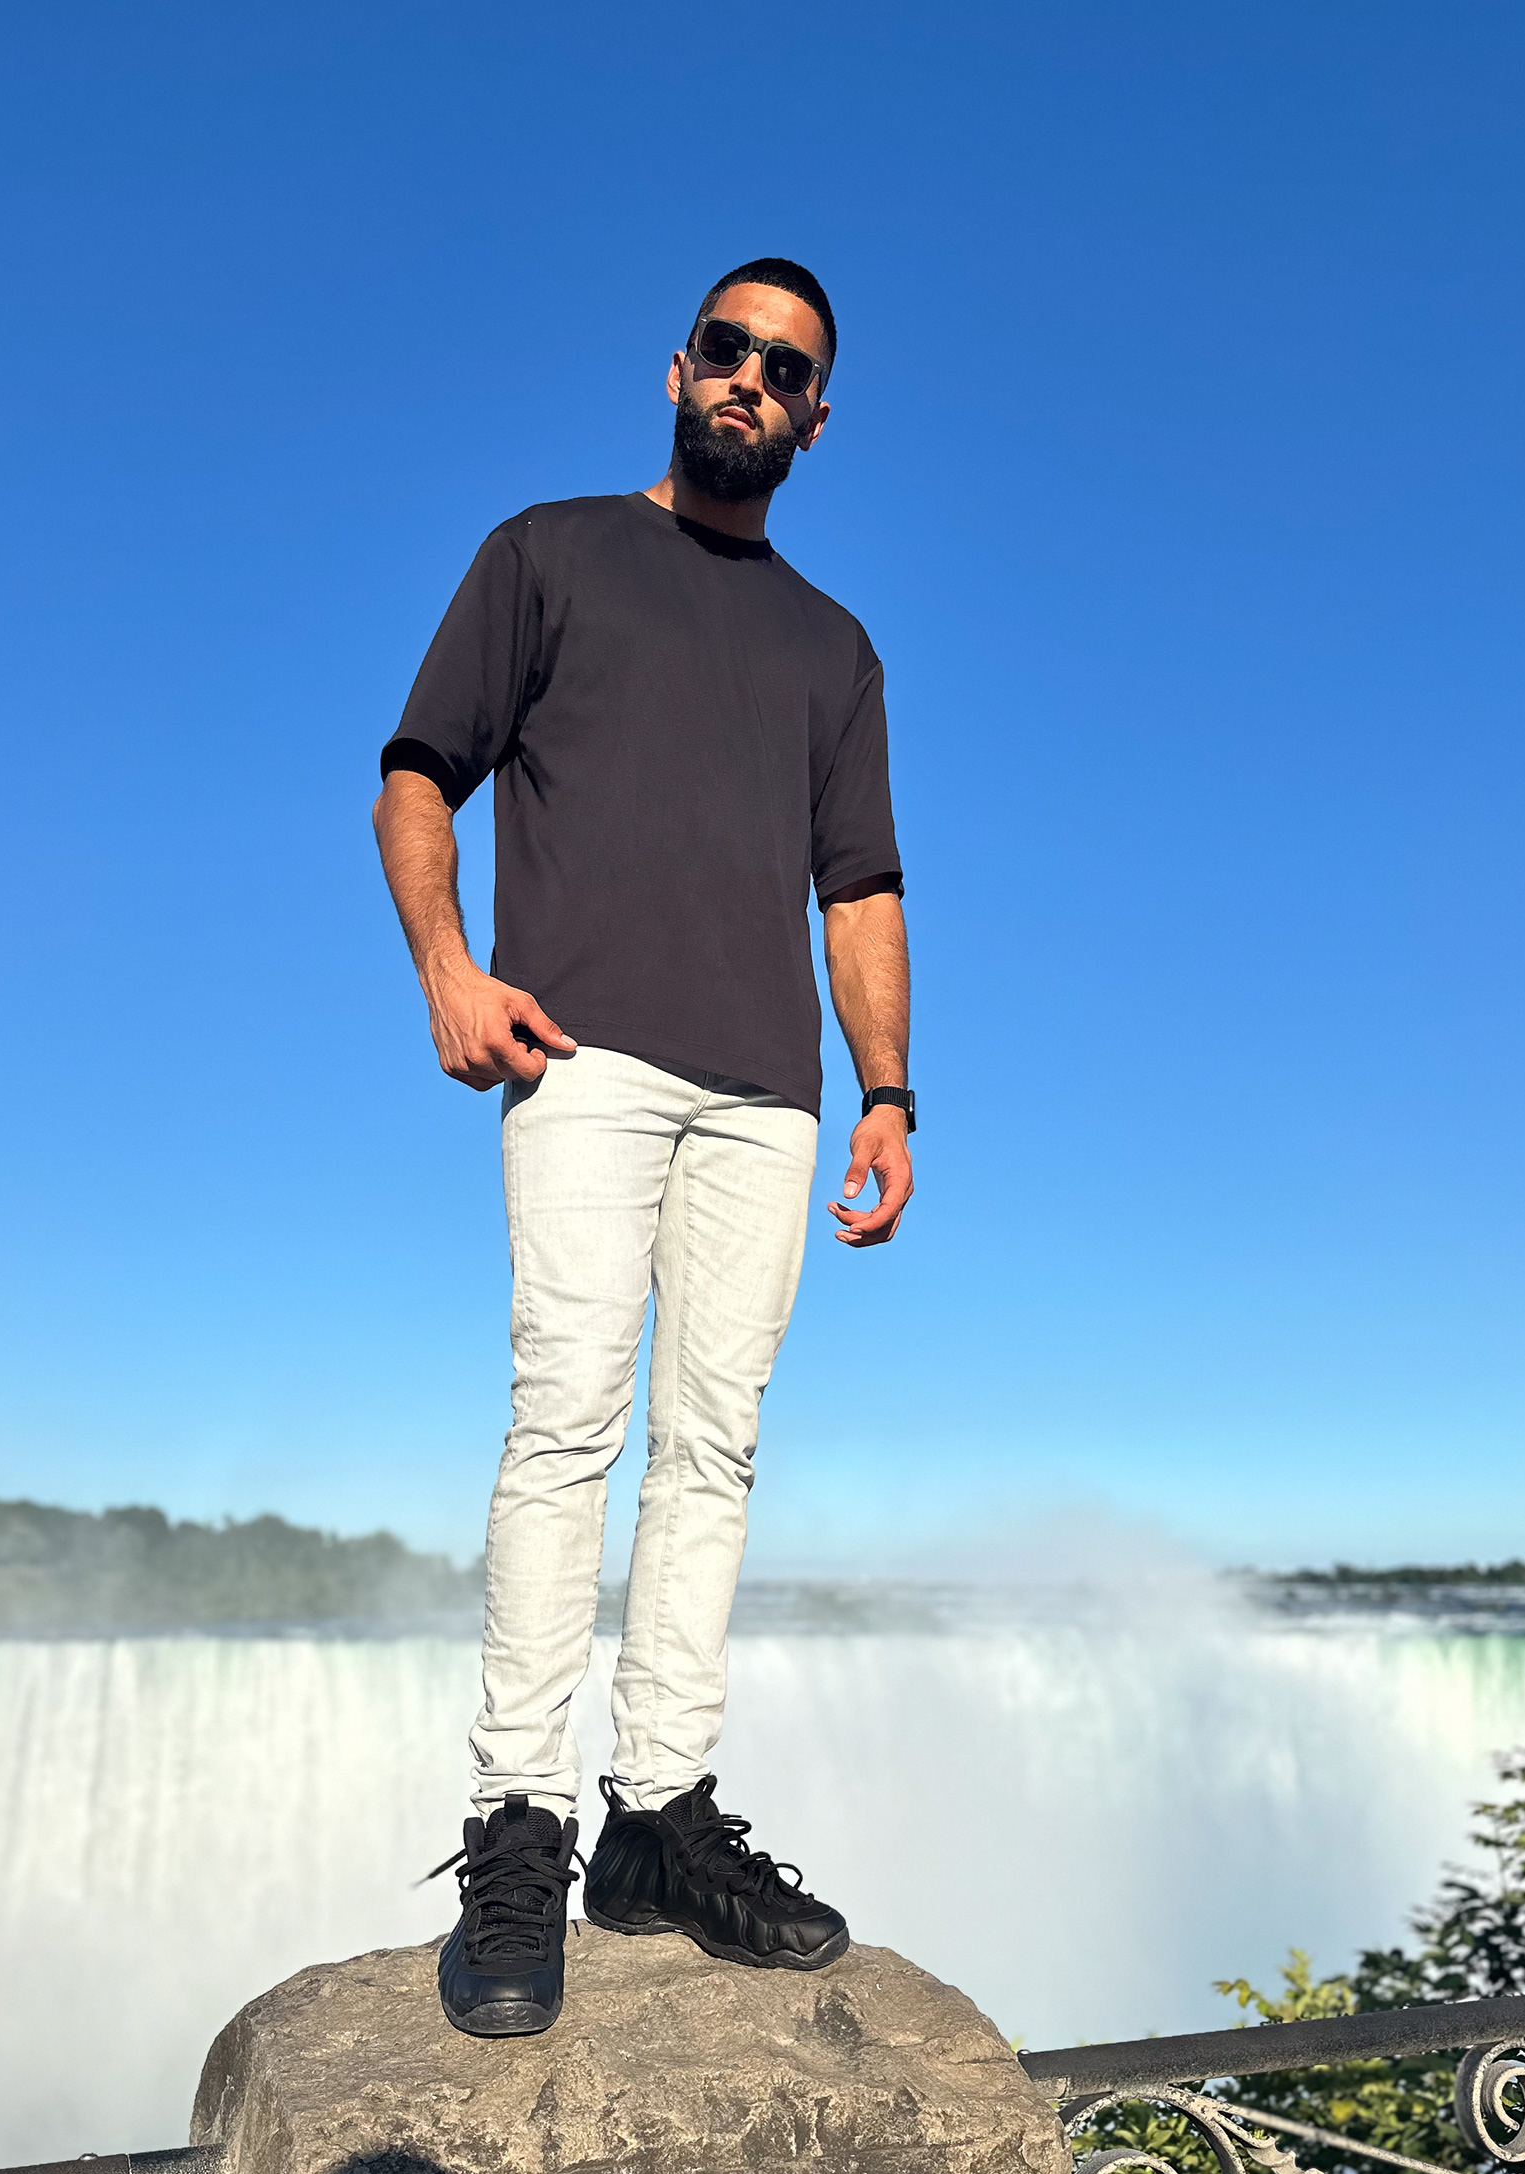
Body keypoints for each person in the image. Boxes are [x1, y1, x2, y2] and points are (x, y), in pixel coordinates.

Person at [374, 257, 915, 2037]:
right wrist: (449, 970)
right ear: (679, 369)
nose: (754, 378)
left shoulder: (835, 649)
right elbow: (414, 773)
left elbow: (860, 890)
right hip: (584, 1058)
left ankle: (658, 1823)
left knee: (714, 1451)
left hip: (768, 1099)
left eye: (789, 368)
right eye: (730, 348)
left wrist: (890, 1092)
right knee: (567, 1424)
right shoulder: (547, 555)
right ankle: (516, 1827)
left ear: (817, 417)